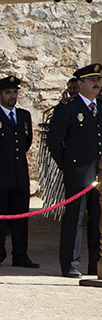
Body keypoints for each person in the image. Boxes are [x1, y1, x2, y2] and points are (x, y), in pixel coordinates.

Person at [47, 63, 102, 278]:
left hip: (99, 175)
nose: (97, 84)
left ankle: (96, 265)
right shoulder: (68, 108)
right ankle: (70, 264)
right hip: (78, 174)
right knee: (74, 220)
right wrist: (68, 166)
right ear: (80, 84)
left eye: (98, 80)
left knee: (98, 222)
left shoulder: (100, 107)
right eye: (91, 81)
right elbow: (54, 142)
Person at [0, 76, 39, 269]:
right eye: (8, 93)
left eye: (14, 92)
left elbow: (26, 142)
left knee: (21, 218)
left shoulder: (23, 116)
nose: (12, 96)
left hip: (19, 175)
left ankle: (20, 254)